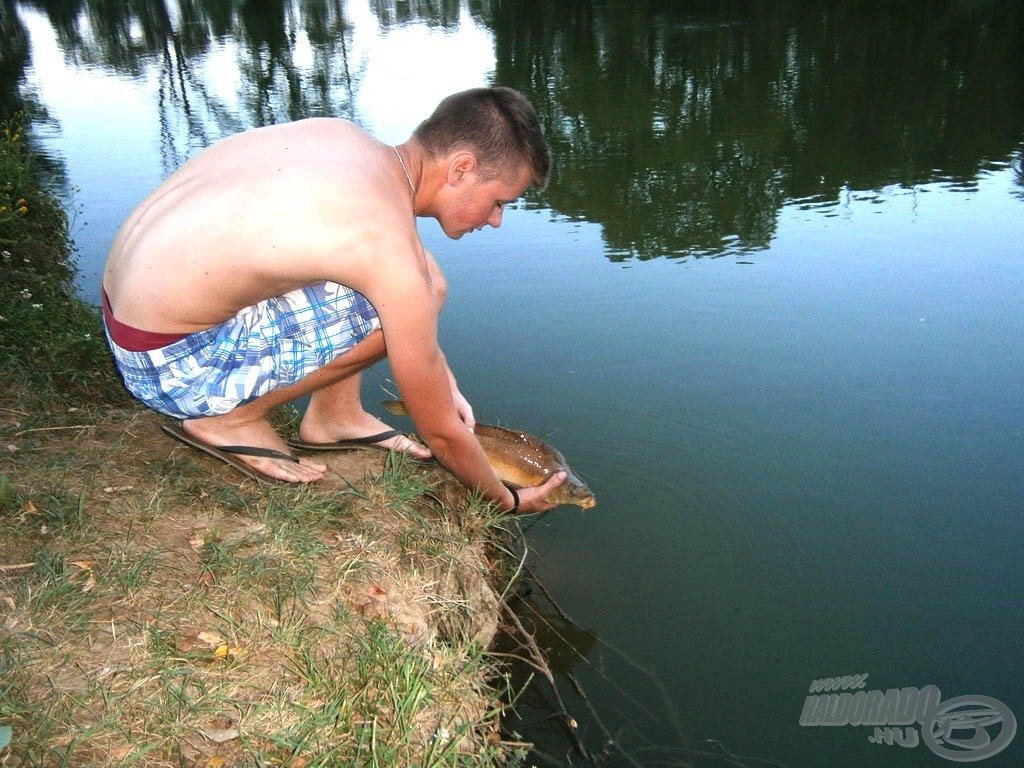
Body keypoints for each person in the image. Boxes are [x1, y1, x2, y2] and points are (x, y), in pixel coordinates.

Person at [102, 86, 566, 515]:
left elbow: (405, 286)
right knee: (414, 291)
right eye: (500, 200)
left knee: (421, 280)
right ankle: (229, 420)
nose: (497, 219)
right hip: (175, 370)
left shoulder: (343, 139)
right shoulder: (382, 243)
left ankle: (335, 416)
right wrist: (508, 500)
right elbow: (441, 433)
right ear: (461, 168)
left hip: (133, 322)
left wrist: (445, 384)